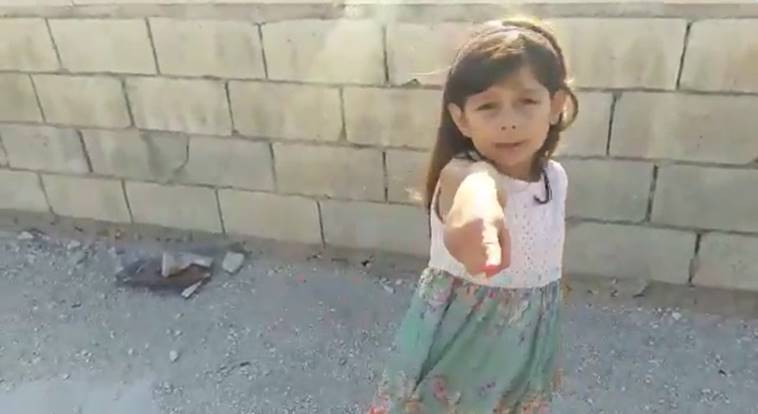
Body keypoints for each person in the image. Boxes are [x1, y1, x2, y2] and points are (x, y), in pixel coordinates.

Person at [367, 17, 578, 413]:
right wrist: (477, 212)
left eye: (527, 101)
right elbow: (475, 186)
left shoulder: (555, 179)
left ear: (556, 105)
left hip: (522, 350)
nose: (509, 120)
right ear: (461, 118)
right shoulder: (461, 173)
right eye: (488, 106)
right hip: (457, 352)